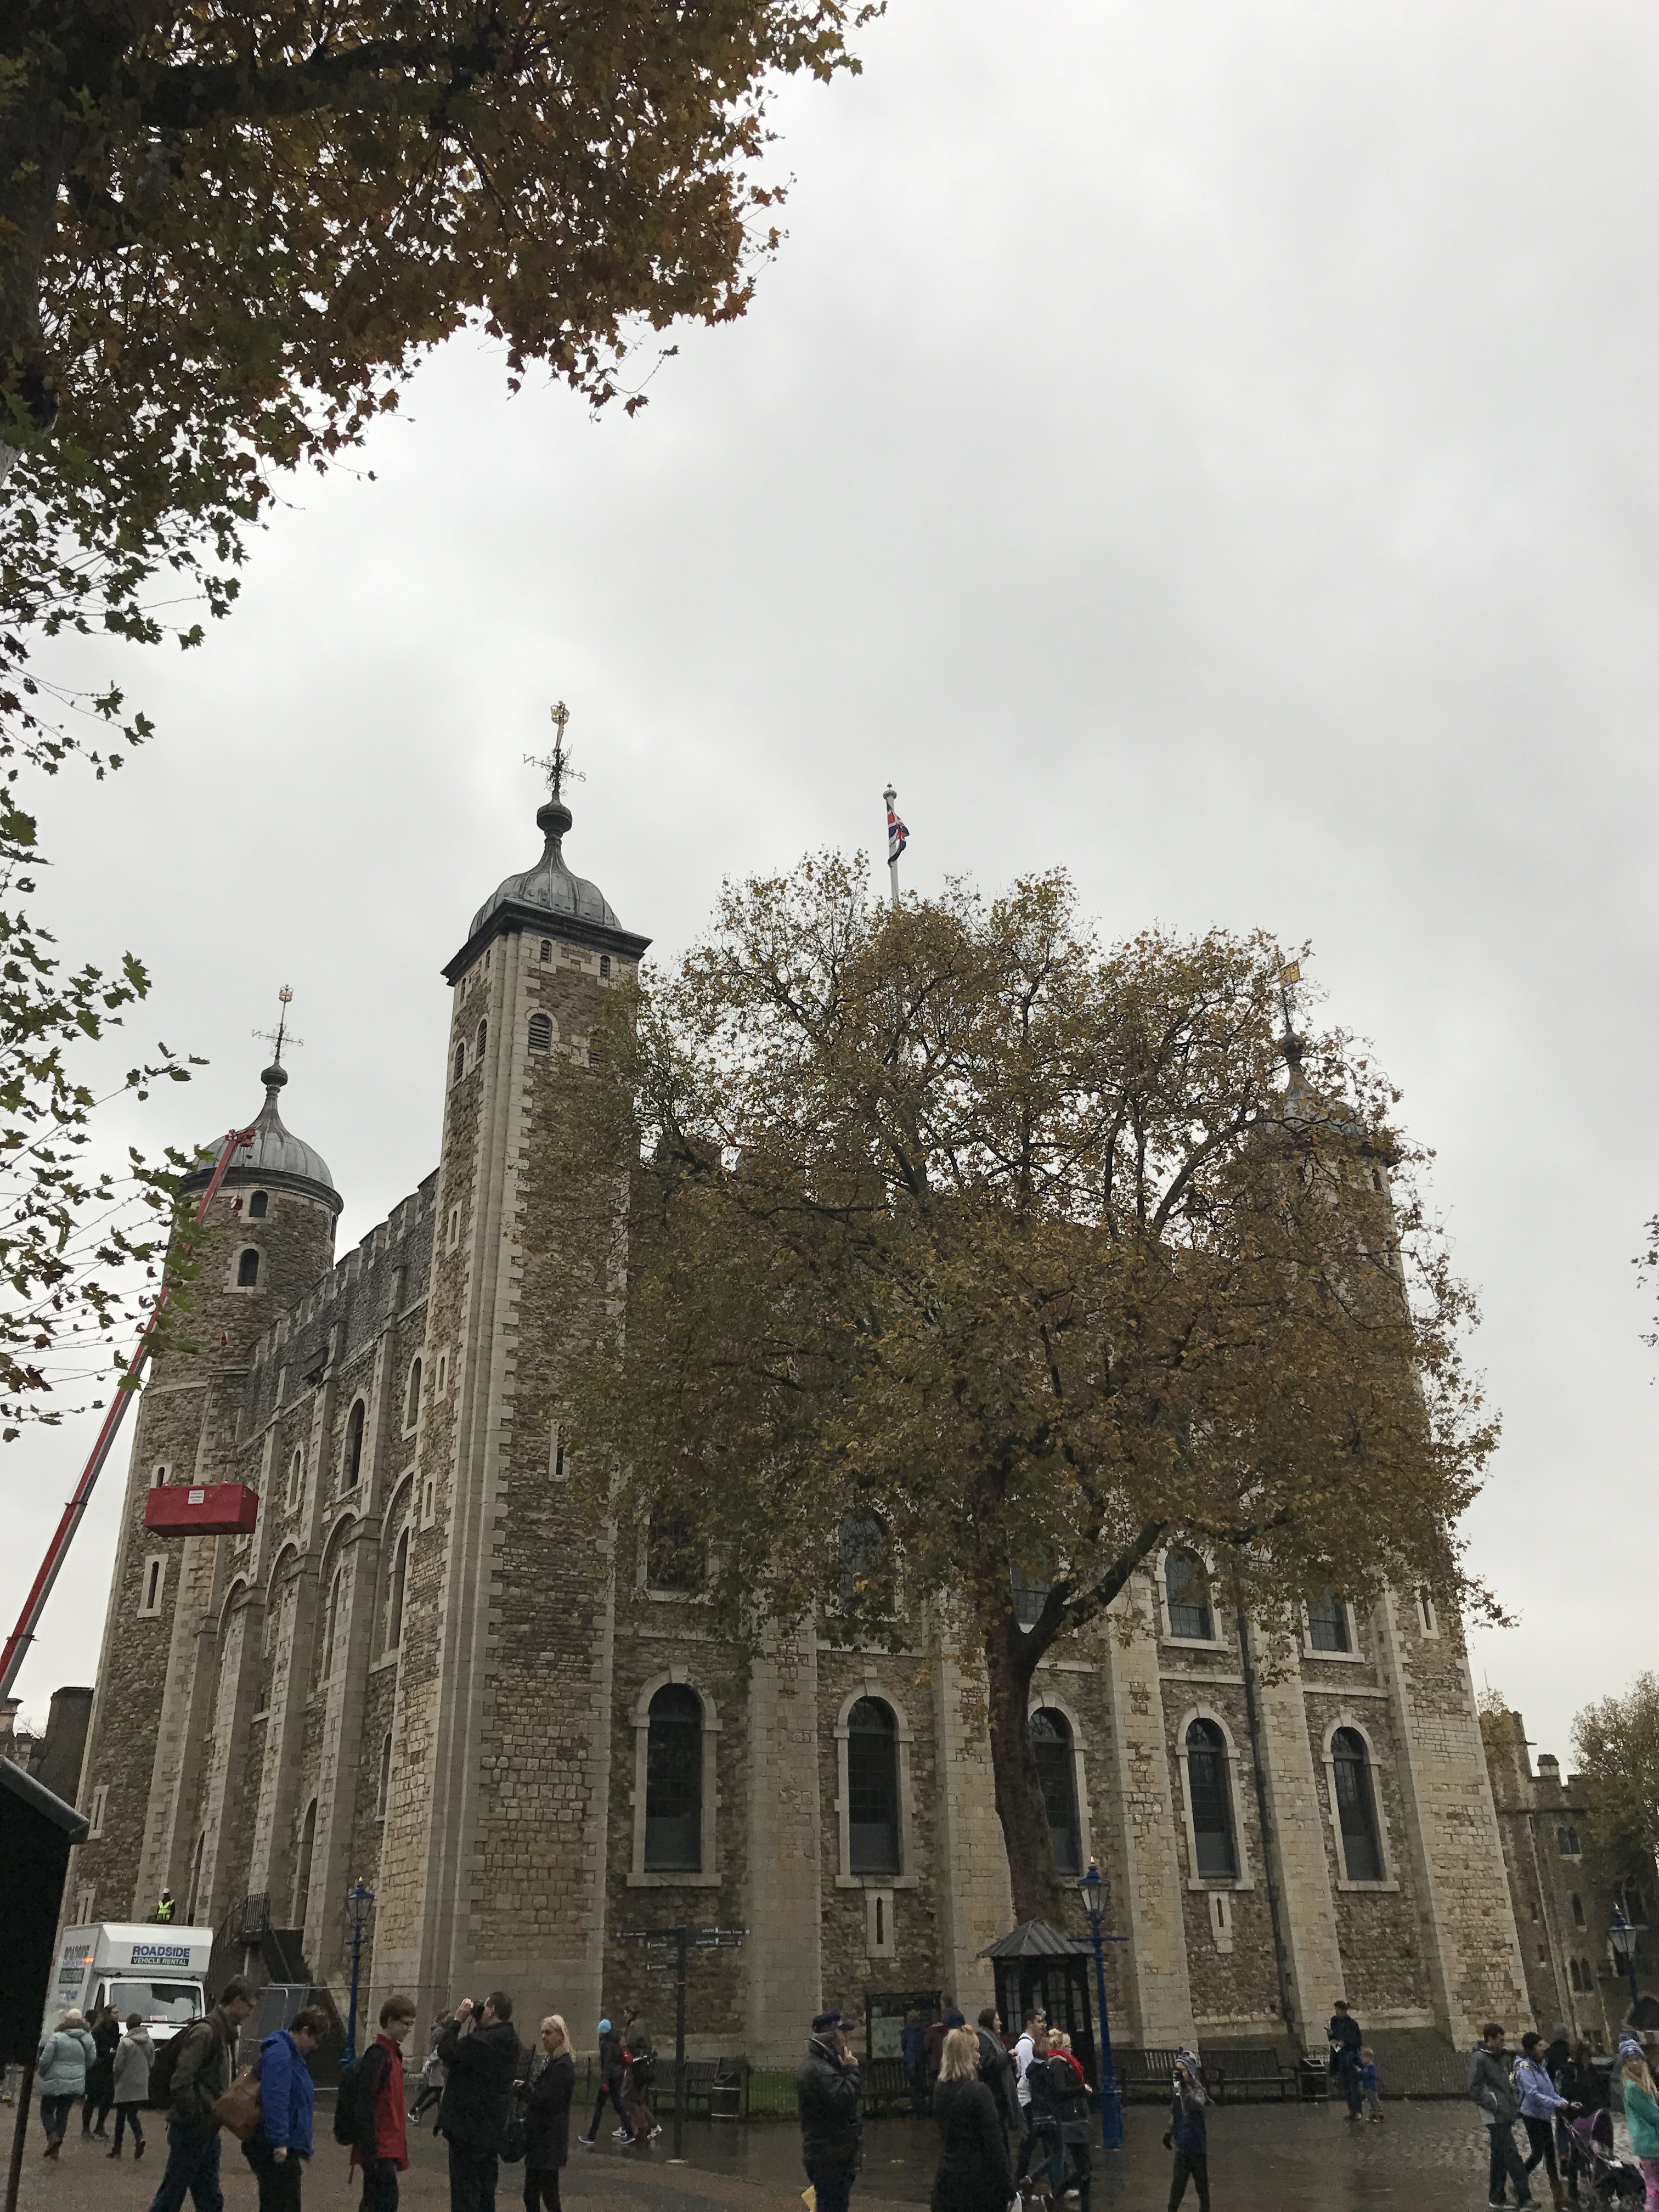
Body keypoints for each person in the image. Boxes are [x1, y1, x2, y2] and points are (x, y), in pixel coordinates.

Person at [146, 1973, 256, 2212]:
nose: (250, 2013)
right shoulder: (207, 2032)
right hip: (193, 2128)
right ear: (237, 2001)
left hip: (206, 2129)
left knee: (209, 2199)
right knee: (172, 2196)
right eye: (250, 2006)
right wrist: (197, 2117)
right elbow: (181, 2082)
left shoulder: (224, 2034)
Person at [436, 1993, 522, 2212]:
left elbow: (446, 2051)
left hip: (467, 2130)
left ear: (491, 2010)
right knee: (485, 2193)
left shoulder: (480, 2043)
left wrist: (457, 2021)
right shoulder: (511, 2042)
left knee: (465, 2195)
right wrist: (478, 2018)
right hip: (492, 2130)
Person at [243, 2003, 326, 2212]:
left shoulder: (288, 2053)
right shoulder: (282, 2054)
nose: (316, 2047)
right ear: (305, 2031)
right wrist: (280, 2141)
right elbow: (276, 2098)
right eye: (316, 2040)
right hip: (278, 2146)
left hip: (283, 2142)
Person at [930, 2024, 1014, 2212]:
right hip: (980, 2182)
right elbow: (995, 2145)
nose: (978, 2056)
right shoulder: (979, 2092)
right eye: (975, 2050)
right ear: (965, 2054)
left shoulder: (940, 2090)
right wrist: (1009, 2189)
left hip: (949, 2177)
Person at [349, 1995, 417, 2212]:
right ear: (390, 2022)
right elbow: (365, 2104)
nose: (409, 2030)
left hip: (387, 2146)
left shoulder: (392, 2056)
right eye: (406, 2024)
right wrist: (371, 2151)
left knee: (376, 2203)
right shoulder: (379, 2056)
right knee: (382, 2203)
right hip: (379, 2148)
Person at [797, 2010, 862, 2212]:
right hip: (829, 2157)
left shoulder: (823, 2064)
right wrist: (852, 2070)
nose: (846, 2039)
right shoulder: (818, 2069)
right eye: (843, 2034)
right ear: (832, 2036)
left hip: (833, 2155)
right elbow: (843, 2097)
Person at [1469, 2020, 1533, 2210]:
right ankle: (1525, 2197)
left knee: (1499, 2157)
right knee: (1512, 2155)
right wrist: (1494, 2104)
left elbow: (1504, 2085)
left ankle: (1496, 2197)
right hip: (1494, 2116)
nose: (1503, 2042)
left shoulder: (1499, 2058)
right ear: (1490, 2039)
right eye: (1500, 2039)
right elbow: (1474, 2088)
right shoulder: (1480, 2059)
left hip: (1503, 2114)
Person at [520, 2015, 575, 2212]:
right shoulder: (548, 2062)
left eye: (549, 2033)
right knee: (531, 2194)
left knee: (549, 2194)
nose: (544, 2037)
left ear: (561, 2036)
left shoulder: (563, 2066)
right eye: (542, 2032)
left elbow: (547, 2100)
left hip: (550, 2138)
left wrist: (526, 2091)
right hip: (538, 2137)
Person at [1516, 2032, 1571, 2208]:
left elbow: (1550, 2091)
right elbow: (1533, 2095)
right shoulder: (1525, 2069)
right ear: (1531, 2049)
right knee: (1538, 2153)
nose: (1543, 2049)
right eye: (1539, 2046)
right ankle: (1519, 2184)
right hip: (1532, 2116)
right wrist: (1555, 2103)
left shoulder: (1541, 2067)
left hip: (1544, 2116)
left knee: (1550, 2155)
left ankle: (1559, 2196)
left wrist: (1565, 2103)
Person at [36, 2008, 96, 2160]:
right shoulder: (88, 2039)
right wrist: (79, 2071)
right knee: (63, 2115)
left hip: (54, 2081)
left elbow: (44, 2060)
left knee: (46, 2111)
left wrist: (42, 2073)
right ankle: (56, 2150)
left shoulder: (57, 2037)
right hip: (74, 2084)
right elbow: (91, 2061)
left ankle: (52, 2137)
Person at [1165, 2049, 1209, 2212]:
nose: (1178, 2074)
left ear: (1190, 2072)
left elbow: (1196, 2104)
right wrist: (1169, 2132)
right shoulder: (1177, 2091)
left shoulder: (1198, 2091)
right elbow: (1175, 2113)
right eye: (1176, 2070)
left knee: (1202, 2188)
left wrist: (1185, 2088)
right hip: (1182, 2149)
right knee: (1177, 2188)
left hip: (1197, 2149)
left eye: (1182, 2070)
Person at [575, 2018, 630, 2148]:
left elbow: (606, 2065)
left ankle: (591, 2136)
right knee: (618, 2106)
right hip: (617, 2077)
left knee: (599, 2107)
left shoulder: (605, 2044)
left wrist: (605, 2082)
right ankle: (630, 2132)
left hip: (610, 2079)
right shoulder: (615, 2041)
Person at [110, 2013, 154, 2159]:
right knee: (133, 2114)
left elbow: (118, 2065)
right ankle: (139, 2136)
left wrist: (116, 2079)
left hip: (125, 2082)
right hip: (141, 2082)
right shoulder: (150, 2042)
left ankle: (117, 2149)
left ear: (128, 2026)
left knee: (121, 2116)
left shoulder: (125, 2043)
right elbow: (151, 2062)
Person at [1621, 2049, 1659, 2212]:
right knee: (1653, 2186)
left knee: (1653, 2183)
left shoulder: (1642, 2083)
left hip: (1649, 2142)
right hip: (1650, 2141)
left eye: (1637, 2059)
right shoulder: (1632, 2088)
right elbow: (1653, 2114)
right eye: (1630, 2060)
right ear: (1625, 2064)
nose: (1635, 2063)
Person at [973, 2007, 1017, 2141]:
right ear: (990, 2022)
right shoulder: (985, 2040)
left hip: (999, 2095)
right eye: (997, 2020)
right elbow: (988, 2064)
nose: (1000, 2023)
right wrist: (1008, 2057)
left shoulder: (994, 2039)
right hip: (994, 2094)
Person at [1012, 2011, 1043, 2179]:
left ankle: (1022, 2180)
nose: (1042, 2025)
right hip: (1028, 2100)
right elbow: (1027, 2074)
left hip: (1031, 2099)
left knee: (1034, 2142)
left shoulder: (1030, 2043)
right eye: (1038, 2021)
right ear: (1030, 2023)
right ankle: (1020, 2180)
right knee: (1029, 2142)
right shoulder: (1025, 2045)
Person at [620, 2008, 658, 2144]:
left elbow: (630, 2045)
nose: (624, 2015)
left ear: (630, 2013)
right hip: (642, 2065)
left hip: (636, 2066)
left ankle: (643, 2127)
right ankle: (652, 2126)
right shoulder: (643, 2025)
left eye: (626, 2012)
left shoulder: (634, 2027)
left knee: (628, 2098)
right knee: (638, 2099)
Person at [85, 2004, 121, 2136]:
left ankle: (100, 2127)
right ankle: (86, 2128)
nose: (117, 2015)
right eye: (115, 2013)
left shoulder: (116, 2028)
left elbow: (116, 2043)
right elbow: (94, 2048)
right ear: (108, 2014)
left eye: (118, 2013)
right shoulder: (98, 2030)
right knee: (92, 2098)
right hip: (97, 2068)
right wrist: (107, 2051)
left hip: (110, 2068)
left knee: (108, 2098)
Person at [410, 2011, 448, 2128]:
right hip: (437, 2078)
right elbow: (431, 2061)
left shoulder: (439, 2045)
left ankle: (419, 2111)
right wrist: (425, 2071)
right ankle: (419, 2111)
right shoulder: (439, 2048)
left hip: (438, 2078)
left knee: (436, 2098)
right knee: (437, 2098)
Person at [1329, 2000, 1364, 2122]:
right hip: (1341, 2058)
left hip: (1351, 2058)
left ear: (1344, 2011)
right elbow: (1335, 2044)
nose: (1336, 2013)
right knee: (1346, 2086)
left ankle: (1358, 2111)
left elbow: (1358, 2042)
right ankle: (1352, 2110)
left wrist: (1345, 2043)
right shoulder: (1334, 2022)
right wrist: (1332, 2038)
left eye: (1338, 2010)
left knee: (1354, 2086)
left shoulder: (1352, 2024)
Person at [901, 2010, 928, 2119]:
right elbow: (925, 2045)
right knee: (921, 2083)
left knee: (913, 2085)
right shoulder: (922, 2030)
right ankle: (922, 2108)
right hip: (920, 2059)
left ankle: (915, 2108)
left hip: (910, 2060)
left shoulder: (906, 2031)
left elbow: (903, 2045)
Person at [923, 2003, 951, 2098]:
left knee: (936, 2085)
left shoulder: (930, 2031)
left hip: (935, 2063)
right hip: (947, 2060)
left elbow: (926, 2047)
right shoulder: (948, 2030)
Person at [1359, 2046, 1384, 2125]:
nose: (1363, 2060)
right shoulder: (1366, 2067)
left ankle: (1380, 2116)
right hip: (1367, 2087)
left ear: (1369, 2058)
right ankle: (1373, 2115)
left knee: (1375, 2101)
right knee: (1371, 2102)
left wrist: (1362, 2072)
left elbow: (1371, 2075)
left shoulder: (1371, 2067)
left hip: (1371, 2088)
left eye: (1364, 2058)